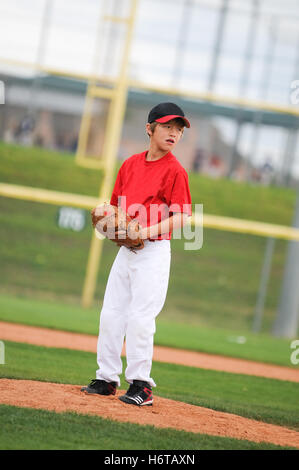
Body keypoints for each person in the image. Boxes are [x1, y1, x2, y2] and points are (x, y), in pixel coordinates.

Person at [81, 102, 192, 406]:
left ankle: (142, 386)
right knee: (111, 313)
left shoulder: (175, 171)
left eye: (179, 129)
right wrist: (113, 228)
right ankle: (106, 379)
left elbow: (182, 216)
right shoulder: (130, 164)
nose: (174, 133)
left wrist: (144, 231)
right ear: (149, 128)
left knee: (141, 317)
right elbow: (115, 207)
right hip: (126, 253)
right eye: (168, 126)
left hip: (153, 252)